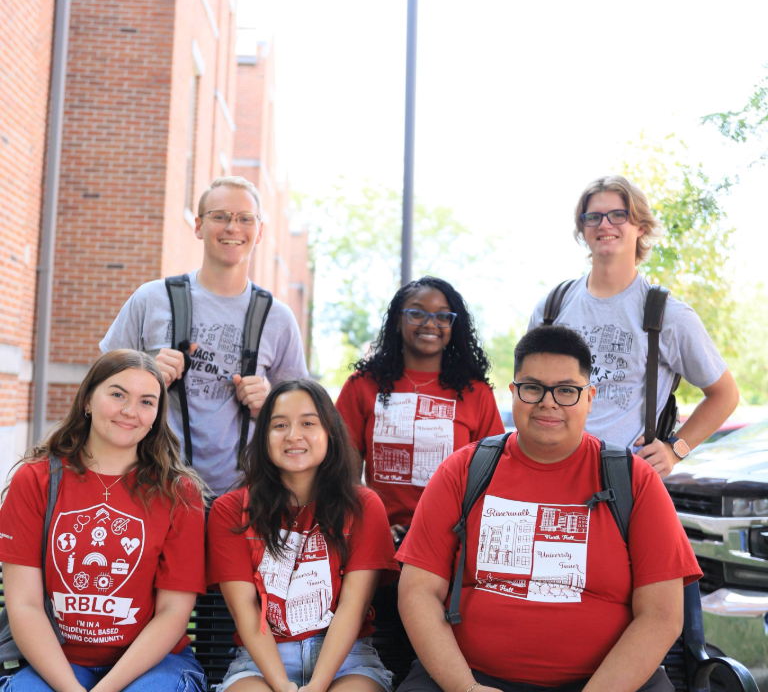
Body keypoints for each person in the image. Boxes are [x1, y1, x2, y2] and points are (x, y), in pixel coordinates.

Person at [396, 325, 702, 692]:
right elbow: (417, 592)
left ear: (589, 397)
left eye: (566, 391)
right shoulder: (462, 471)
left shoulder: (634, 480)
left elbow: (662, 616)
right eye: (532, 388)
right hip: (466, 680)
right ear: (513, 393)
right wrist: (465, 687)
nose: (548, 402)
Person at [0, 349, 207, 691]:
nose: (130, 411)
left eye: (146, 402)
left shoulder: (178, 492)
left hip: (153, 664)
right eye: (117, 394)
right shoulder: (36, 480)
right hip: (57, 659)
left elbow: (172, 612)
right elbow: (25, 604)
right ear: (87, 401)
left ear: (156, 415)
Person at [100, 176, 308, 497]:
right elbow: (99, 385)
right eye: (220, 216)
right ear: (198, 226)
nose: (232, 228)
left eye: (244, 219)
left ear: (260, 231)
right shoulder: (151, 298)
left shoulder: (278, 318)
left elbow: (302, 418)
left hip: (244, 499)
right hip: (152, 488)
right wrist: (145, 376)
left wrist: (269, 403)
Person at [528, 175, 739, 477]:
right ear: (583, 229)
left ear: (640, 227)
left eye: (618, 215)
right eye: (593, 217)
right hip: (549, 474)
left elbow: (725, 394)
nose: (604, 225)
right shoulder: (551, 308)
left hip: (623, 485)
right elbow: (527, 392)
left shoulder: (668, 315)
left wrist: (675, 449)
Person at [206, 379, 400, 692]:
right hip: (262, 660)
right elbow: (247, 612)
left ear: (329, 433)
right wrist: (283, 686)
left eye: (308, 423)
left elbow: (354, 606)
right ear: (264, 437)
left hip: (347, 658)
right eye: (279, 425)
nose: (294, 435)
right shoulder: (231, 510)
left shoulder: (363, 506)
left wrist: (317, 685)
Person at [336, 276, 504, 543]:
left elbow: (492, 477)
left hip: (449, 543)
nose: (430, 324)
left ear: (453, 326)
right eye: (417, 313)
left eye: (442, 317)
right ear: (397, 320)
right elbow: (343, 470)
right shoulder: (362, 386)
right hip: (378, 539)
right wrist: (368, 525)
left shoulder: (476, 393)